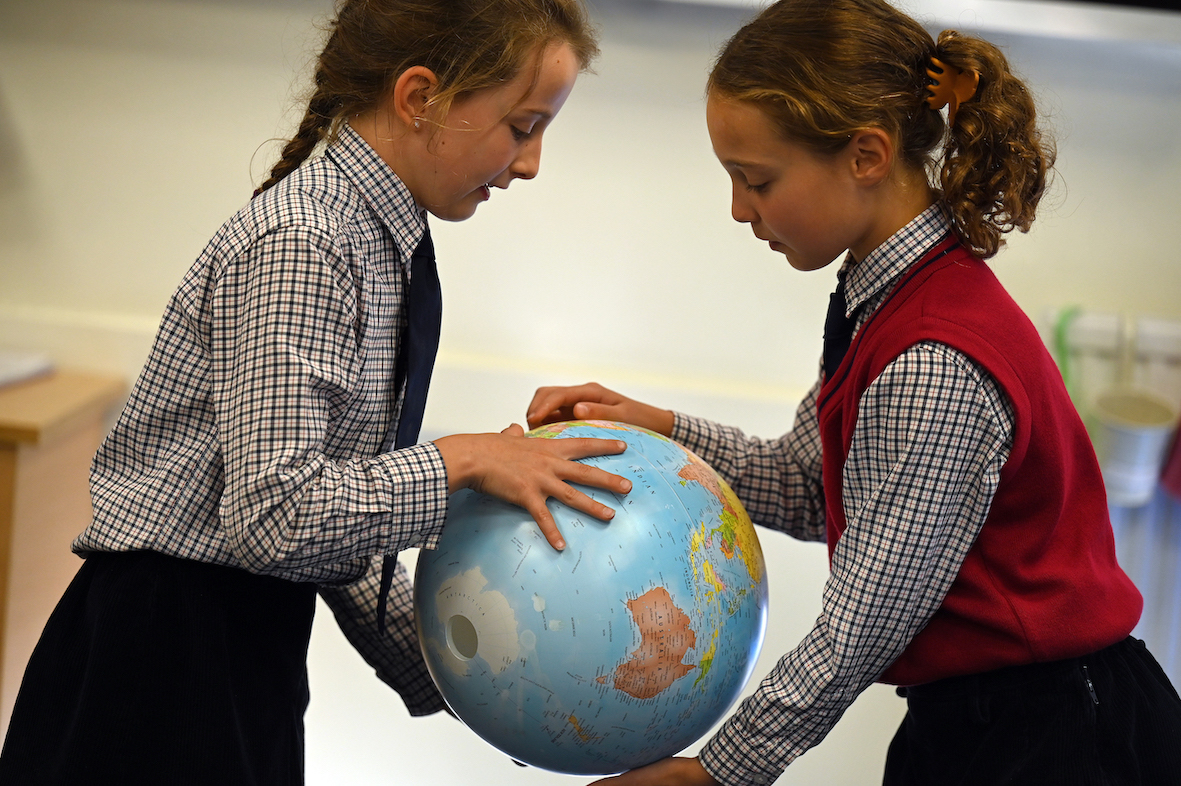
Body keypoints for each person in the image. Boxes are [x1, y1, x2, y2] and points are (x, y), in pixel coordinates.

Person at [526, 0, 1181, 784]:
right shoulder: (881, 300)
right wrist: (657, 430)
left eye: (756, 179)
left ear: (866, 155)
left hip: (1054, 735)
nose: (738, 209)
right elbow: (811, 488)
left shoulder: (932, 358)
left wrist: (720, 771)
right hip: (975, 720)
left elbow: (863, 623)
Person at [0, 1, 636, 783]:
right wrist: (461, 463)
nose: (531, 162)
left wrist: (472, 683)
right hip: (160, 670)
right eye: (522, 126)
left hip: (240, 651)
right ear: (420, 97)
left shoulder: (377, 237)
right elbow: (276, 518)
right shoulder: (306, 241)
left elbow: (331, 520)